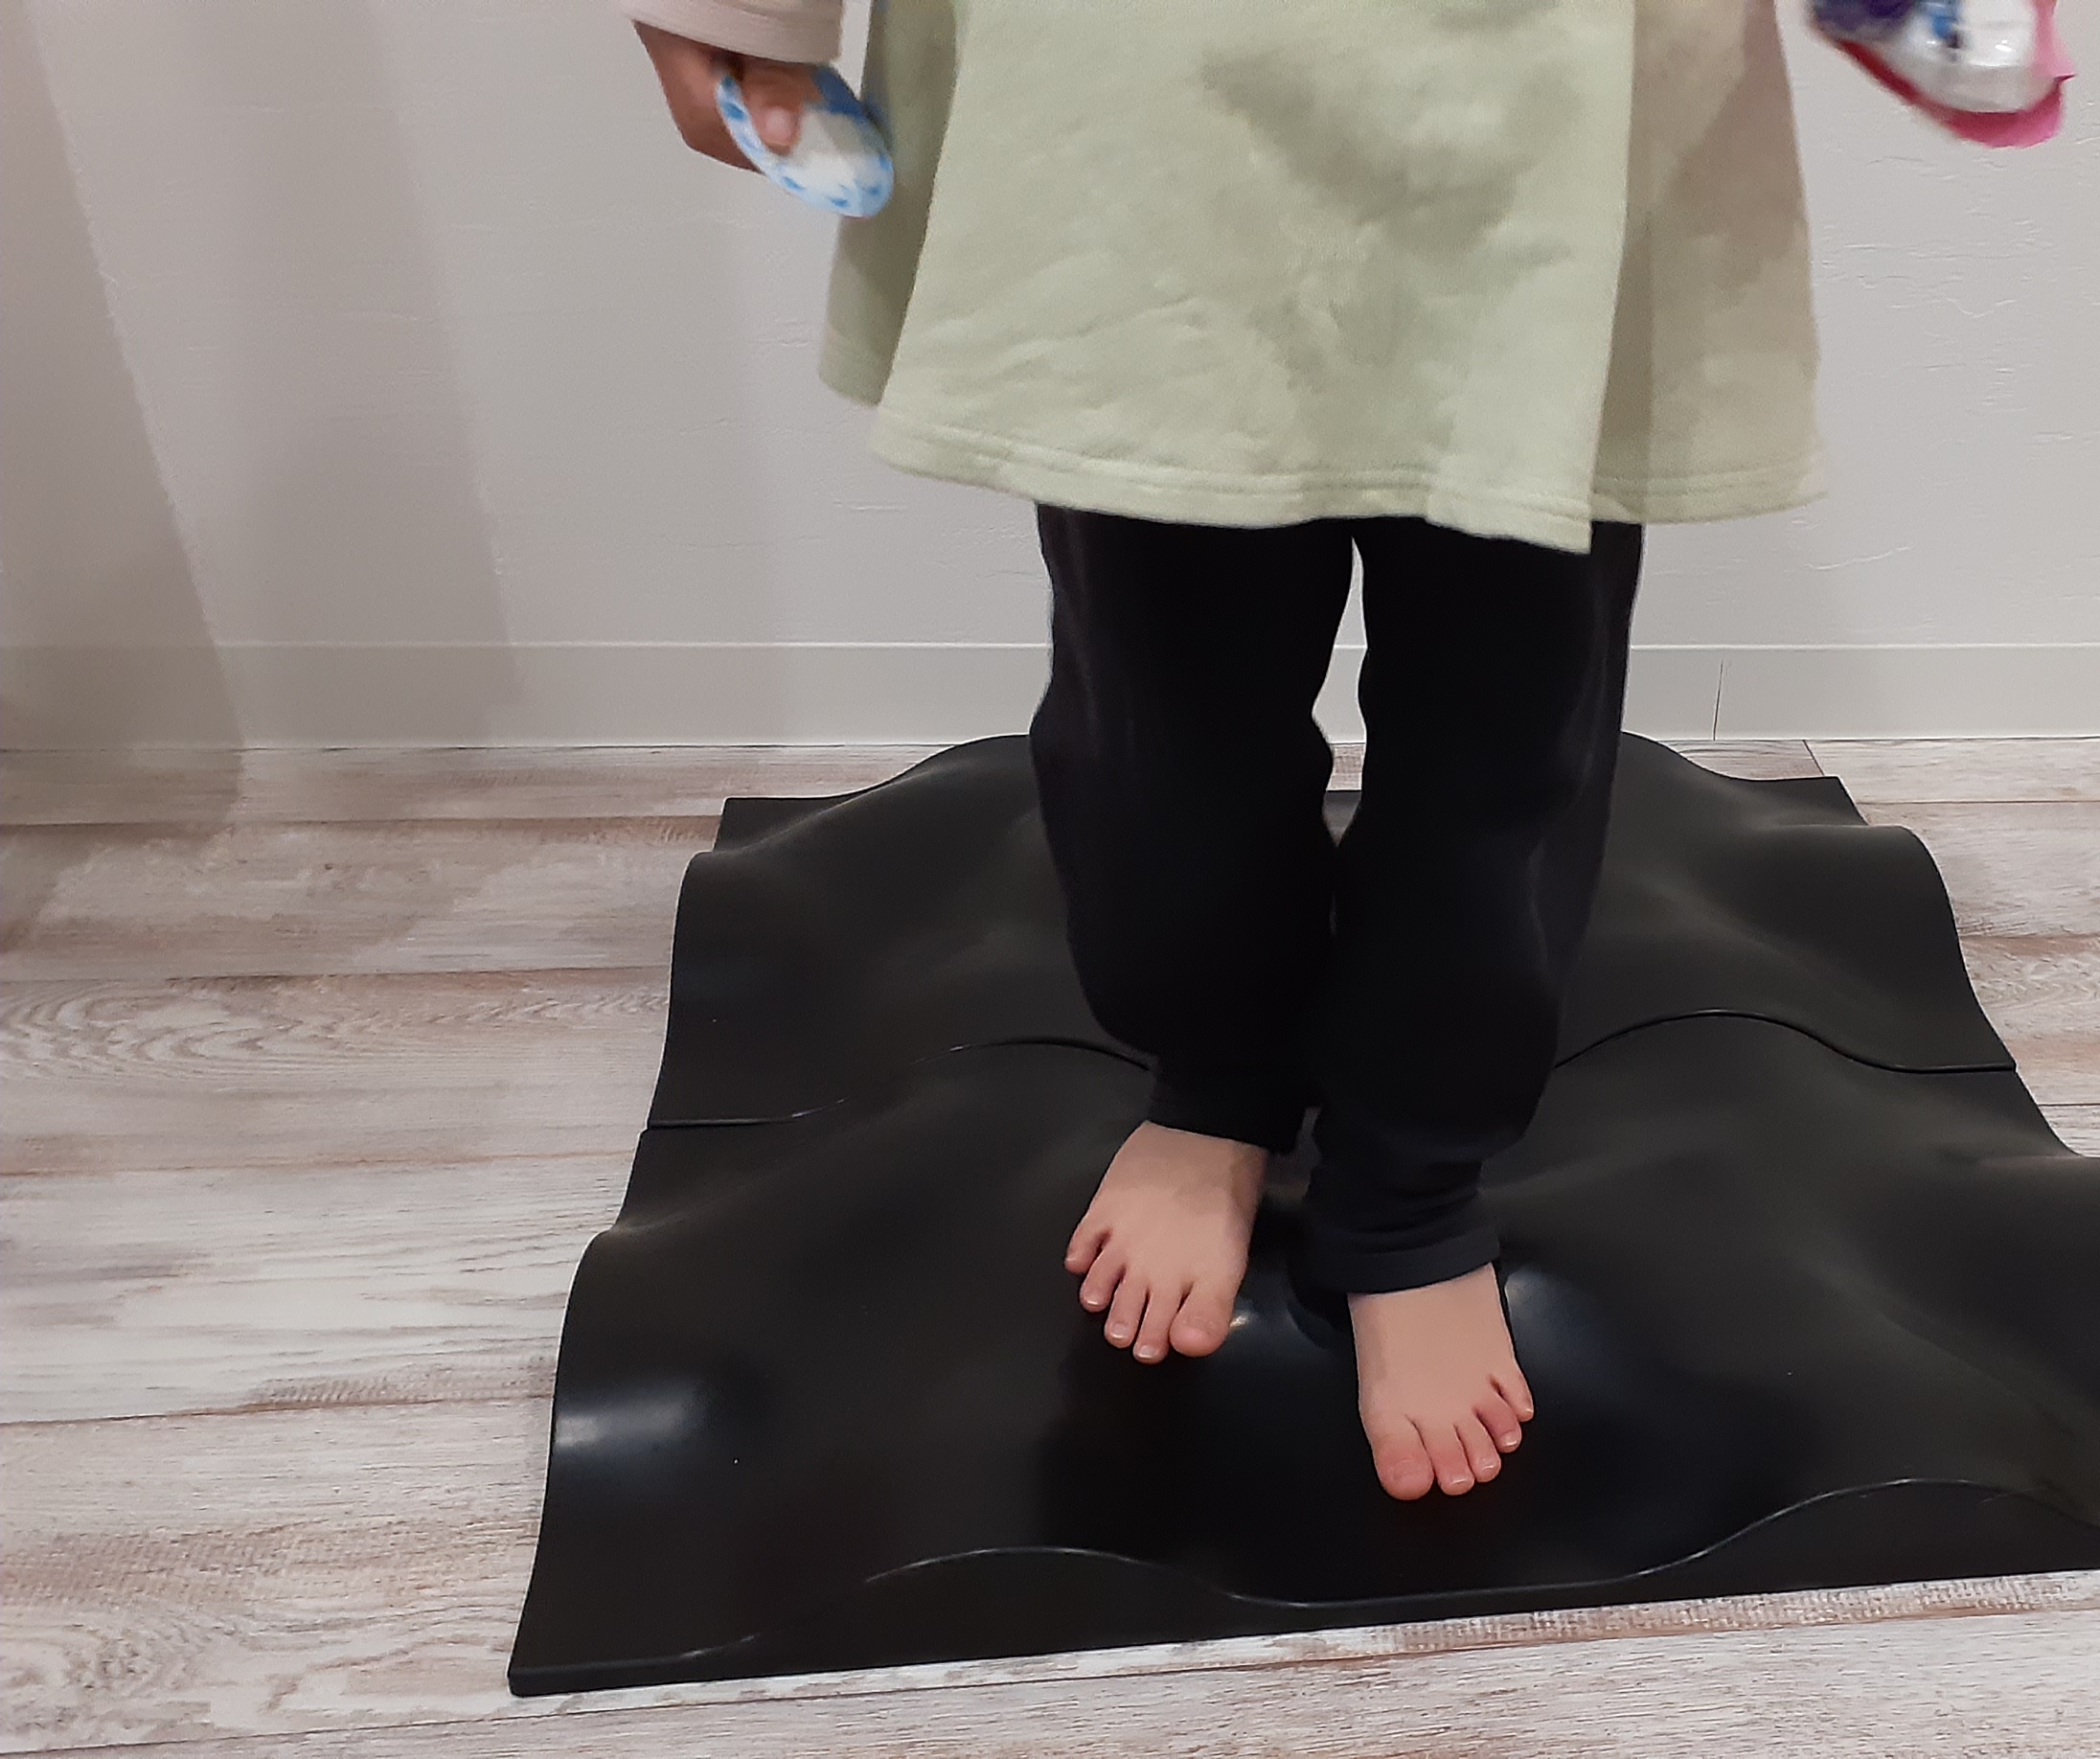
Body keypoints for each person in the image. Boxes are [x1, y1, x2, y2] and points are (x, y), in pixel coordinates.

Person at [627, 0, 1822, 1500]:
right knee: (1165, 677)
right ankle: (1217, 1075)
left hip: (1566, 66)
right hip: (1143, 64)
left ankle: (1410, 1174)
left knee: (1513, 696)